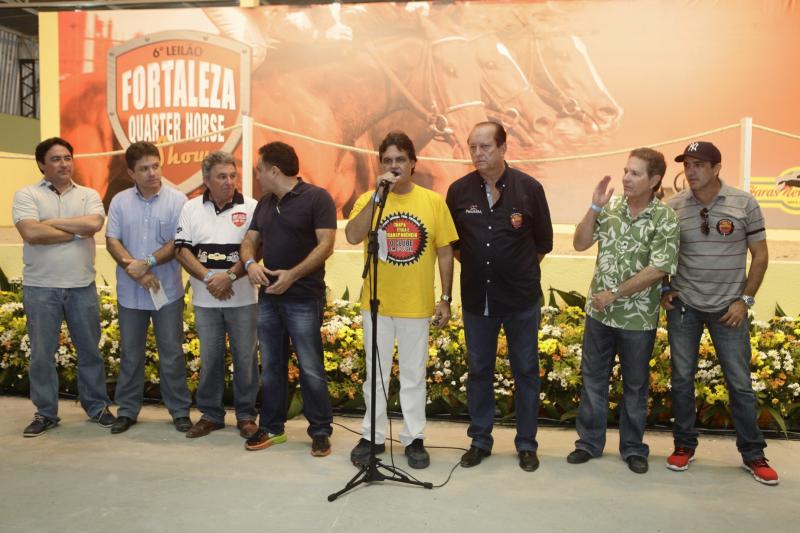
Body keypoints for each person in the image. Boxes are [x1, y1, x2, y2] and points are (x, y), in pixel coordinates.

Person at [662, 141, 778, 485]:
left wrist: (745, 301)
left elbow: (760, 255)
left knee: (740, 384)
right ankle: (684, 445)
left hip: (730, 310)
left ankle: (753, 453)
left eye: (699, 164)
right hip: (685, 307)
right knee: (682, 380)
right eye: (687, 165)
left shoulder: (744, 203)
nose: (691, 171)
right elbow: (662, 254)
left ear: (716, 168)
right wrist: (666, 289)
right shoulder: (673, 207)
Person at [345, 131, 458, 470]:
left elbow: (445, 252)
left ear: (413, 164)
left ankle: (414, 438)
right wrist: (377, 198)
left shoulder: (433, 202)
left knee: (413, 375)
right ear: (380, 165)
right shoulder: (370, 199)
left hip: (415, 305)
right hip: (377, 304)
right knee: (375, 374)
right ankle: (373, 436)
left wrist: (445, 298)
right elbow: (352, 235)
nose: (394, 166)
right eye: (388, 161)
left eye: (400, 160)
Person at [446, 122, 553, 472]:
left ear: (503, 148)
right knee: (479, 370)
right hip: (478, 299)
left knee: (526, 371)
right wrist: (483, 268)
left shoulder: (529, 189)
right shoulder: (458, 192)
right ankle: (480, 440)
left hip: (521, 300)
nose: (477, 153)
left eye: (485, 147)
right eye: (472, 147)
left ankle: (526, 444)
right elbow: (454, 245)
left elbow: (542, 243)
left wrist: (514, 270)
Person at [567, 148, 679, 474]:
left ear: (654, 180)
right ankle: (589, 443)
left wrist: (615, 293)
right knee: (593, 381)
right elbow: (579, 243)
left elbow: (659, 267)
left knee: (635, 386)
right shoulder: (611, 208)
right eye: (626, 171)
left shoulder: (664, 218)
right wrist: (594, 208)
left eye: (635, 173)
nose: (626, 178)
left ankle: (632, 448)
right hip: (599, 315)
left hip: (637, 320)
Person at [13, 137, 115, 437]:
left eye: (67, 158)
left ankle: (97, 407)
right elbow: (31, 233)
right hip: (41, 288)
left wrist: (50, 222)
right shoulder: (27, 194)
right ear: (42, 165)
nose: (64, 164)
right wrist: (74, 232)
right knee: (42, 355)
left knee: (90, 352)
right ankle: (45, 413)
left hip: (81, 287)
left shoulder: (88, 194)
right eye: (56, 159)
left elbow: (93, 225)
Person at [239, 142, 336, 457]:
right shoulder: (265, 204)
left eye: (259, 170)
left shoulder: (317, 198)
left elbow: (326, 245)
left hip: (304, 298)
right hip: (269, 298)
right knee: (271, 366)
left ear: (274, 171)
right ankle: (272, 428)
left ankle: (320, 431)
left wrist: (292, 275)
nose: (257, 175)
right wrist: (250, 264)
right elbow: (249, 241)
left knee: (310, 367)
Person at [105, 141, 193, 434]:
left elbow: (178, 242)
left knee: (172, 353)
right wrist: (137, 272)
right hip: (131, 294)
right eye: (144, 169)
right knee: (131, 354)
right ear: (131, 173)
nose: (152, 173)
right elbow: (112, 241)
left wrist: (149, 262)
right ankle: (127, 411)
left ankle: (179, 411)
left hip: (167, 292)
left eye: (155, 166)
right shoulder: (119, 201)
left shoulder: (178, 200)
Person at [174, 151, 259, 440]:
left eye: (232, 175)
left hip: (243, 299)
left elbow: (256, 249)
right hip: (205, 300)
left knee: (245, 358)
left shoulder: (251, 207)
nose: (229, 181)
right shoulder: (190, 208)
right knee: (210, 358)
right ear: (206, 180)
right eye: (221, 176)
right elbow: (182, 250)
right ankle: (211, 415)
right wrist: (211, 278)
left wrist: (230, 276)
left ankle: (246, 415)